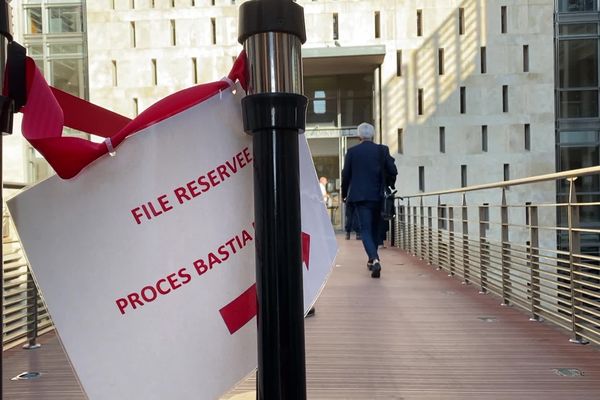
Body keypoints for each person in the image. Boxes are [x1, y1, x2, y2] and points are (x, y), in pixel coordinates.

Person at [341, 122, 397, 278]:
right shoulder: (382, 150)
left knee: (365, 230)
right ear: (373, 135)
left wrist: (344, 194)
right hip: (379, 196)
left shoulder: (352, 152)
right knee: (374, 230)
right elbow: (393, 170)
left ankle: (375, 259)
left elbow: (346, 176)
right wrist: (388, 183)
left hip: (360, 197)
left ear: (359, 136)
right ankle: (372, 259)